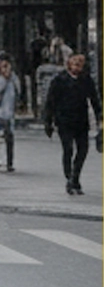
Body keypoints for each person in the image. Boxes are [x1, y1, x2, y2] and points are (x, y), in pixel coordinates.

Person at [42, 53, 102, 195]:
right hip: (64, 121)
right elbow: (50, 102)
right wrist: (48, 122)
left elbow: (94, 99)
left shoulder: (86, 80)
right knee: (68, 150)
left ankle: (75, 176)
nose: (77, 67)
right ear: (69, 64)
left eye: (80, 64)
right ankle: (70, 178)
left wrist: (100, 115)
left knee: (83, 150)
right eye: (75, 63)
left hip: (81, 121)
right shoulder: (59, 80)